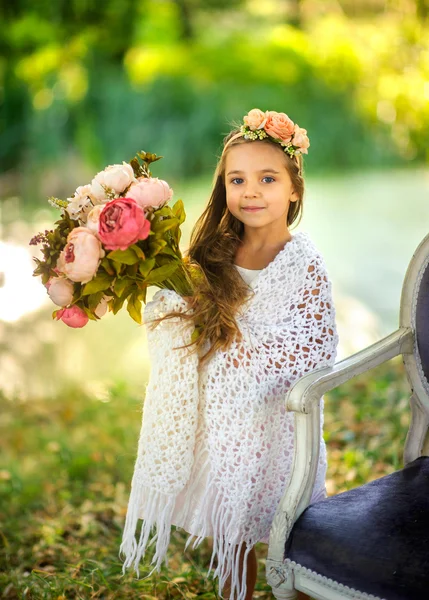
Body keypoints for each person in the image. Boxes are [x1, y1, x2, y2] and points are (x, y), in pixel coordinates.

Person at [120, 108, 339, 600]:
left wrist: (239, 352)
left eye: (267, 179)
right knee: (231, 533)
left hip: (277, 426)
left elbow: (312, 345)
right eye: (237, 180)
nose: (251, 192)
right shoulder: (213, 254)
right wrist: (181, 309)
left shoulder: (303, 263)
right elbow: (177, 318)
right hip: (220, 428)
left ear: (294, 190)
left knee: (292, 539)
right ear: (224, 189)